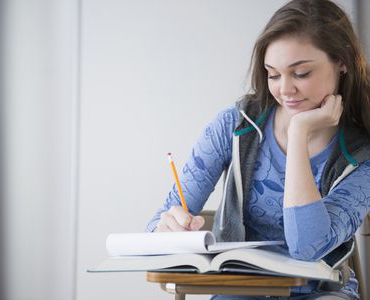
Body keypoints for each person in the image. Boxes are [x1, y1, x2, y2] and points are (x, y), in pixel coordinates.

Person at [147, 0, 370, 299]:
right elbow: (157, 223)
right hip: (239, 289)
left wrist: (299, 132)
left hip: (320, 292)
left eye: (301, 73)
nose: (285, 90)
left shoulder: (361, 156)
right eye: (273, 74)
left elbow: (306, 247)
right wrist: (166, 231)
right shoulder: (236, 125)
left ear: (341, 62)